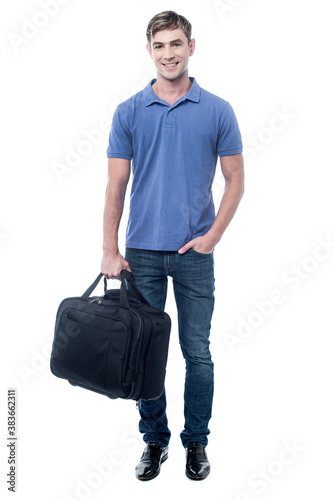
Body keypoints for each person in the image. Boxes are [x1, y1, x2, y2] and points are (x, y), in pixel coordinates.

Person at [101, 10, 244, 481]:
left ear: (191, 47)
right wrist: (109, 248)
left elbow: (235, 180)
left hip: (195, 254)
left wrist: (212, 238)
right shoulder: (128, 111)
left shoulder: (218, 109)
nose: (169, 53)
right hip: (140, 252)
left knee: (196, 351)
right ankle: (154, 441)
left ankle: (196, 443)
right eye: (160, 45)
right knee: (145, 352)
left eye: (176, 43)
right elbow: (116, 186)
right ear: (149, 52)